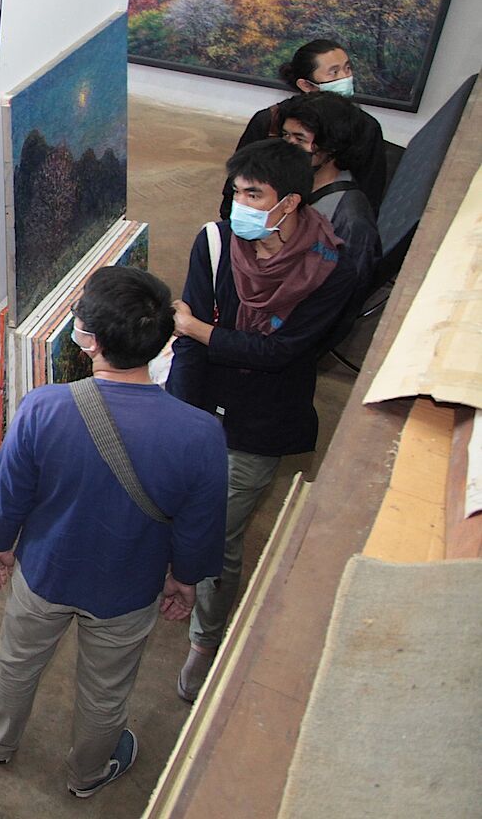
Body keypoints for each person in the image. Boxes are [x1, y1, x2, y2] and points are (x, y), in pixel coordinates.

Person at [0, 267, 227, 797]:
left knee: (17, 662)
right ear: (163, 339)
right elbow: (201, 523)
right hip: (129, 588)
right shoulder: (201, 434)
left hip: (46, 572)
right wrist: (185, 579)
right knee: (106, 690)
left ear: (90, 342)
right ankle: (88, 773)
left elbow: (10, 489)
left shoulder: (44, 407)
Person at [167, 139, 358, 703]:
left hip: (260, 422)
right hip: (202, 405)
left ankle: (206, 639)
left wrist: (200, 330)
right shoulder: (214, 242)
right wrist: (180, 416)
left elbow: (280, 353)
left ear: (290, 202)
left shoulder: (331, 268)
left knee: (220, 537)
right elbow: (189, 344)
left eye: (254, 195)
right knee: (174, 508)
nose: (239, 206)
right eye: (236, 193)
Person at [218, 39, 387, 219]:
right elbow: (237, 183)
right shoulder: (269, 121)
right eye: (334, 72)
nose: (345, 77)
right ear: (306, 85)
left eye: (347, 68)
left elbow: (370, 194)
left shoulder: (365, 127)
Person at [281, 93, 382, 304]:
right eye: (286, 136)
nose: (288, 146)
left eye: (300, 139)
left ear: (331, 145)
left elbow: (346, 294)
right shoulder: (290, 181)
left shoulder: (351, 219)